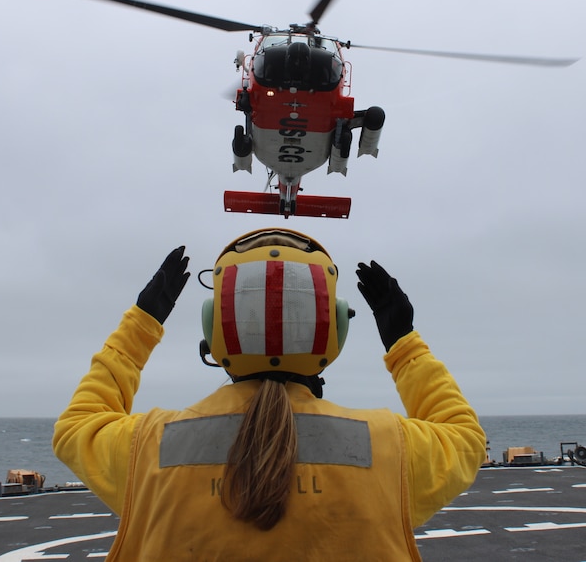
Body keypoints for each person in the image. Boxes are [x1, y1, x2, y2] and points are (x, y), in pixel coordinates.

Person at [53, 228, 487, 561]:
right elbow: (466, 440)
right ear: (335, 328)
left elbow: (77, 426)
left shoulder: (150, 446)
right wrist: (403, 342)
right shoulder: (389, 446)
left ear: (214, 329)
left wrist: (141, 326)